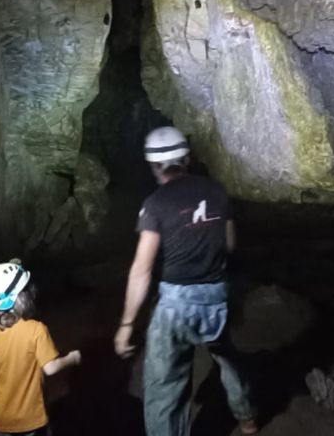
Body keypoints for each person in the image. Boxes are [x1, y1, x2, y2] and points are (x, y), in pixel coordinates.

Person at [113, 126, 257, 435]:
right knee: (227, 358)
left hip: (176, 305)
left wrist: (126, 325)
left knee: (165, 386)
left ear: (153, 166)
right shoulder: (217, 192)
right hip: (216, 296)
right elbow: (230, 245)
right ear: (187, 157)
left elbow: (141, 269)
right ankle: (247, 418)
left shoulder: (155, 204)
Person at [0, 259, 81, 436]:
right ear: (22, 298)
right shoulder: (36, 330)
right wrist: (73, 357)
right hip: (30, 419)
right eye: (26, 290)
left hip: (2, 419)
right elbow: (50, 368)